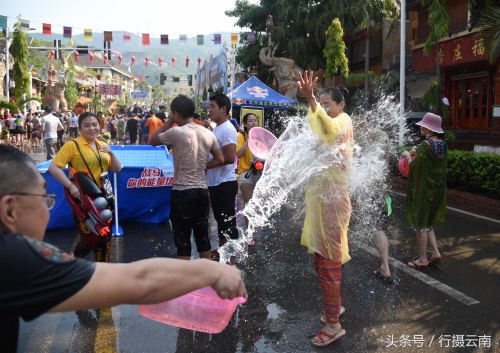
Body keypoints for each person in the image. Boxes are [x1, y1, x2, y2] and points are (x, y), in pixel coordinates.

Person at [0, 144, 247, 353]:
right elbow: (139, 281)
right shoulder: (12, 257)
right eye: (44, 199)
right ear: (10, 209)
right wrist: (212, 272)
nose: (47, 209)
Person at [296, 71, 353, 347]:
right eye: (322, 103)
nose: (324, 108)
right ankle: (336, 307)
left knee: (329, 261)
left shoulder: (342, 122)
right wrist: (312, 103)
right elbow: (317, 127)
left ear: (341, 106)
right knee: (322, 257)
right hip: (323, 201)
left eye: (328, 103)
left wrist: (310, 99)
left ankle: (334, 325)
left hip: (332, 202)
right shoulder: (328, 124)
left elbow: (327, 128)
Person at [151, 95, 224, 260]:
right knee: (202, 236)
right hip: (202, 191)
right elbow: (220, 159)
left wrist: (170, 121)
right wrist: (201, 165)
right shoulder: (208, 133)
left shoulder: (176, 132)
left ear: (176, 114)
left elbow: (153, 140)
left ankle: (185, 282)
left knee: (182, 239)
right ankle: (205, 278)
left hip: (182, 192)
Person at [48, 112, 122, 263]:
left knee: (105, 237)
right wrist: (70, 185)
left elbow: (116, 169)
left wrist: (112, 153)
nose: (92, 128)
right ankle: (70, 262)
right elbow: (53, 168)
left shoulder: (102, 145)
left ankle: (102, 271)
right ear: (79, 127)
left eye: (94, 124)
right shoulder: (72, 145)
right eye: (86, 125)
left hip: (105, 198)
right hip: (85, 200)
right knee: (91, 238)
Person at [405, 112, 447, 269]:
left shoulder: (424, 146)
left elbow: (415, 168)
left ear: (429, 129)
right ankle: (435, 253)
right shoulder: (443, 145)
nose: (420, 127)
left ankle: (422, 259)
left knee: (421, 224)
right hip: (437, 189)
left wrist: (407, 157)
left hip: (425, 190)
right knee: (428, 222)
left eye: (423, 125)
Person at [207, 93, 239, 264]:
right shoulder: (218, 127)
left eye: (213, 106)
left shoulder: (227, 128)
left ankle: (232, 255)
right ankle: (222, 251)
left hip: (224, 183)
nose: (209, 110)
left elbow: (229, 158)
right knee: (221, 220)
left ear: (223, 109)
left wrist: (205, 165)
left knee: (227, 220)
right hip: (216, 182)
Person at [236, 113, 261, 233]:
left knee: (256, 203)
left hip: (259, 172)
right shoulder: (240, 136)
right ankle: (249, 232)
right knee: (249, 204)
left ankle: (254, 226)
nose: (253, 123)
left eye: (255, 121)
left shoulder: (260, 136)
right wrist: (248, 140)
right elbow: (239, 154)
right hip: (245, 173)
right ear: (245, 124)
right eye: (250, 121)